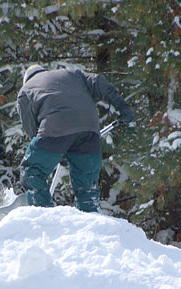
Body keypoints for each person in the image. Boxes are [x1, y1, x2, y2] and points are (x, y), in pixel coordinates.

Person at [16, 64, 135, 212]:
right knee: (87, 187)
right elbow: (98, 83)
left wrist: (57, 150)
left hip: (55, 128)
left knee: (31, 171)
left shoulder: (26, 90)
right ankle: (90, 220)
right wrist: (122, 107)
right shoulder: (72, 74)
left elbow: (32, 130)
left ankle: (44, 215)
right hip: (90, 129)